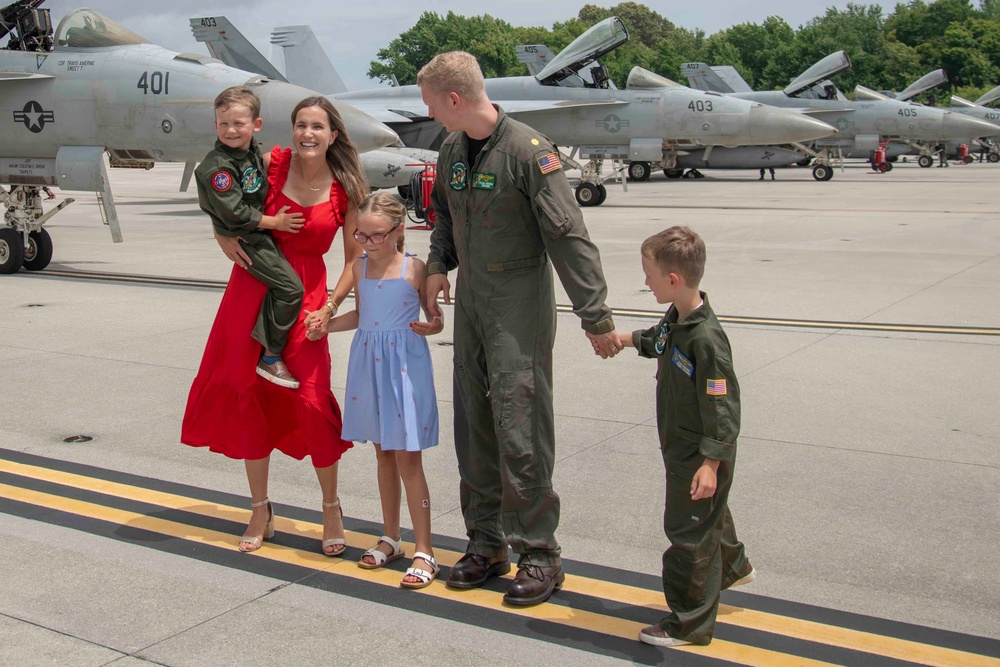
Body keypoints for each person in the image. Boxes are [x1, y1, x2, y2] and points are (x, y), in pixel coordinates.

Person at [417, 51, 622, 607]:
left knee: (519, 425)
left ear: (454, 99)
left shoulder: (529, 153)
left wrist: (595, 315)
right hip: (474, 306)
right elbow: (444, 217)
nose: (427, 112)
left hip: (517, 305)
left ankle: (538, 553)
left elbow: (567, 235)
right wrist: (438, 267)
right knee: (475, 426)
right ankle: (486, 543)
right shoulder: (454, 147)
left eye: (430, 102)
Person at [182, 96, 369, 556]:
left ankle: (330, 507)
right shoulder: (272, 164)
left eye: (317, 127)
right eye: (301, 125)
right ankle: (260, 508)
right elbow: (226, 203)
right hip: (251, 290)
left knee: (311, 398)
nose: (308, 134)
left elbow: (354, 260)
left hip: (306, 299)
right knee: (251, 398)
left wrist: (330, 306)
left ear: (333, 135)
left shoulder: (346, 189)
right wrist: (221, 235)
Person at [613, 226, 753, 648]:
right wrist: (623, 340)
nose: (645, 281)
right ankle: (732, 566)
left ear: (672, 280)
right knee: (708, 516)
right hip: (681, 447)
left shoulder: (706, 340)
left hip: (697, 454)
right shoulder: (678, 319)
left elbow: (723, 409)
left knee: (688, 533)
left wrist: (711, 463)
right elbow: (660, 341)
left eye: (649, 275)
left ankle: (688, 623)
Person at [310, 192, 442, 589]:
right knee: (383, 453)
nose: (368, 243)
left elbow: (433, 317)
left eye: (377, 235)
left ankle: (425, 549)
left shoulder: (414, 268)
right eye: (361, 235)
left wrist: (433, 326)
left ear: (399, 231)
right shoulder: (358, 266)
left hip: (403, 367)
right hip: (369, 363)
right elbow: (359, 314)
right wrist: (325, 325)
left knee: (408, 457)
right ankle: (391, 537)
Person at [194, 85, 305, 389]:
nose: (231, 130)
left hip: (256, 234)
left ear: (256, 125)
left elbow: (256, 169)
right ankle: (269, 356)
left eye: (239, 123)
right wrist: (277, 222)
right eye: (224, 123)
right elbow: (236, 213)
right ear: (215, 125)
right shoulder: (218, 168)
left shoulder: (249, 151)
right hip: (247, 238)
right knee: (291, 290)